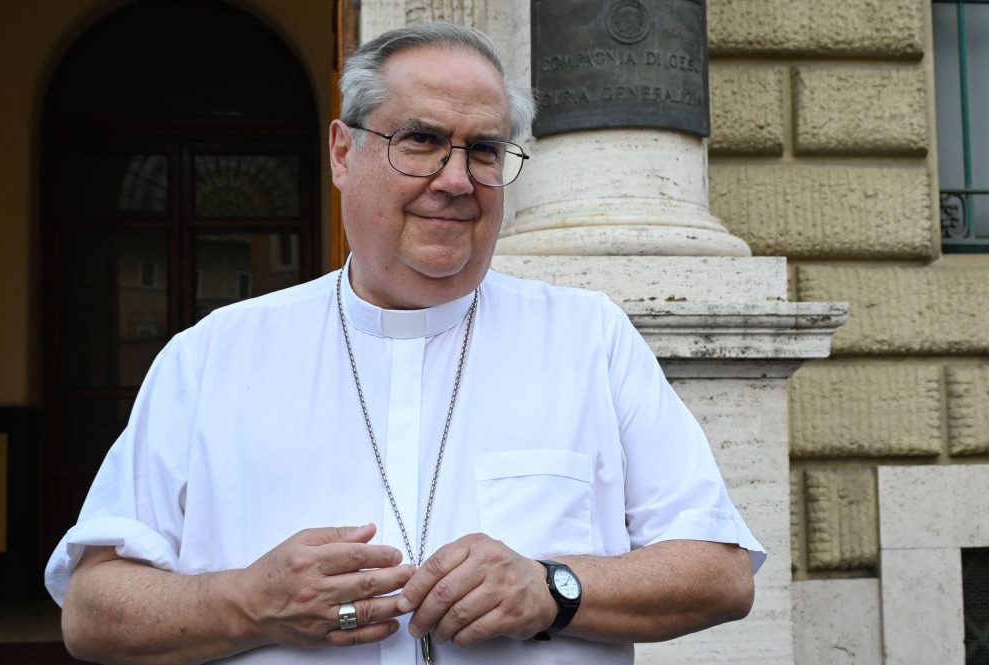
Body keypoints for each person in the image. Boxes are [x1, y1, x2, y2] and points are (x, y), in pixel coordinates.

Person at [45, 21, 765, 665]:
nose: (456, 180)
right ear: (341, 151)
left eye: (483, 150)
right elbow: (93, 609)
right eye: (420, 141)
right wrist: (246, 600)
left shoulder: (588, 339)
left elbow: (719, 572)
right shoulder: (212, 357)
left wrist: (554, 587)